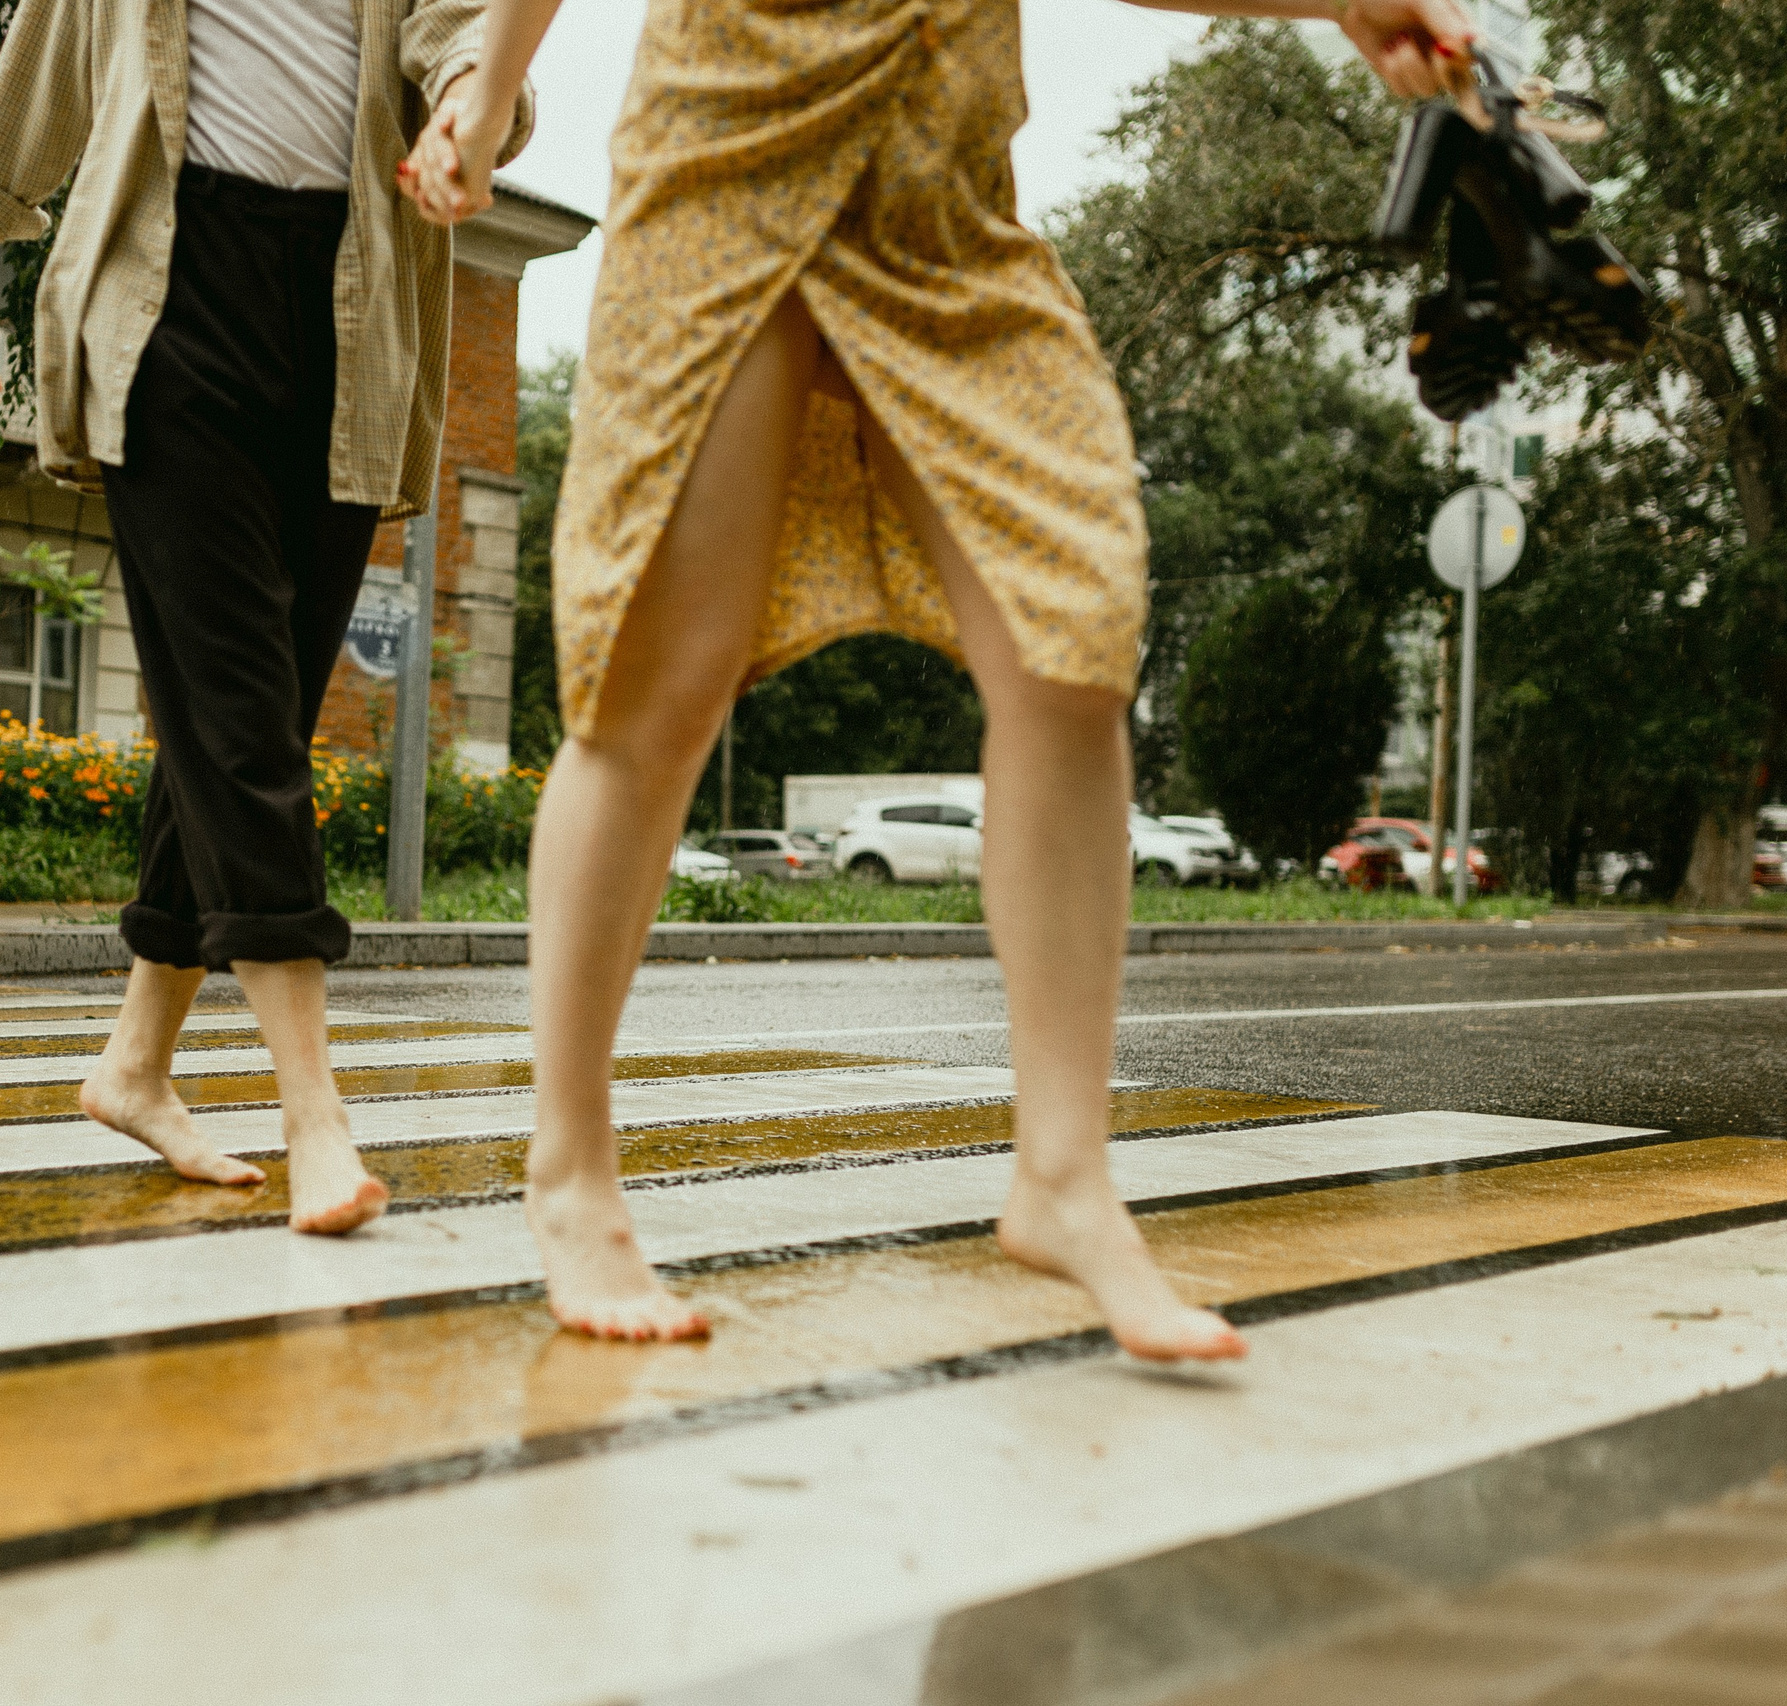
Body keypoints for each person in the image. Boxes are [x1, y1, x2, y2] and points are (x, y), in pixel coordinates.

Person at [404, 0, 1473, 1343]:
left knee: (1069, 625)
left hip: (945, 196)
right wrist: (490, 93)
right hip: (730, 152)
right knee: (657, 680)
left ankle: (1064, 1177)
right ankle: (568, 1170)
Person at [0, 0, 531, 1233]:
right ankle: (315, 1111)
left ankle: (133, 1068)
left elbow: (467, 35)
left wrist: (476, 103)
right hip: (165, 303)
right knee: (240, 710)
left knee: (243, 715)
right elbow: (44, 73)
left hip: (350, 317)